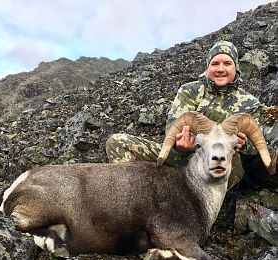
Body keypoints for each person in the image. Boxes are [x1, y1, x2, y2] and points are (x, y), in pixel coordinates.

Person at [105, 41, 262, 190]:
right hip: (183, 156)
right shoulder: (190, 91)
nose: (220, 69)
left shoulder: (249, 103)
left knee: (235, 164)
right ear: (208, 68)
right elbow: (174, 127)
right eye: (215, 64)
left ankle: (197, 208)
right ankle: (132, 199)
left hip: (219, 159)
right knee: (117, 143)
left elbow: (256, 145)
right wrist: (181, 143)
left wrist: (244, 144)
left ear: (236, 68)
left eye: (227, 63)